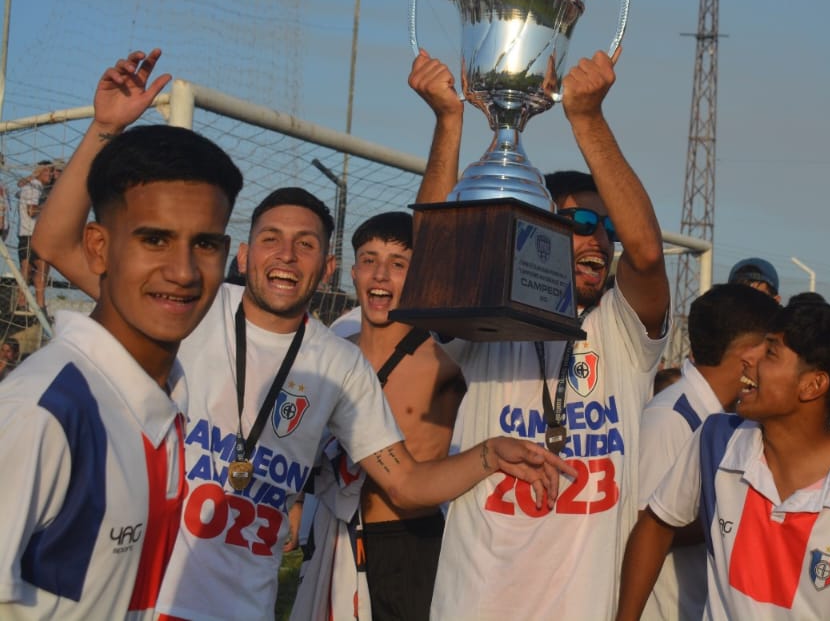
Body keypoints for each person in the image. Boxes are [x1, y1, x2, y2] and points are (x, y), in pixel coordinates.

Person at [32, 50, 570, 620]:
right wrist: (105, 129)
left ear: (327, 266)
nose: (286, 255)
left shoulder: (337, 364)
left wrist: (489, 455)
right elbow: (55, 244)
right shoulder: (191, 306)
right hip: (150, 602)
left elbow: (407, 482)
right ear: (244, 252)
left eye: (305, 244)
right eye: (271, 239)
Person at [409, 46, 670, 620]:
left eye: (608, 229)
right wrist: (448, 123)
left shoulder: (622, 333)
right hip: (474, 601)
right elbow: (434, 263)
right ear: (544, 228)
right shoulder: (492, 314)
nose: (599, 239)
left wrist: (588, 118)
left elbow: (647, 255)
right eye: (579, 223)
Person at [0, 123, 243, 619]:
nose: (183, 271)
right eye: (155, 240)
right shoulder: (43, 413)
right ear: (97, 247)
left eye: (205, 244)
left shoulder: (163, 394)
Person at [618, 301, 830, 620]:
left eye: (770, 352)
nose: (748, 358)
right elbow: (656, 524)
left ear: (813, 385)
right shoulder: (716, 439)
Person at [293, 211, 466, 619]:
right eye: (369, 260)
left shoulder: (445, 361)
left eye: (398, 264)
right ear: (353, 272)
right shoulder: (333, 353)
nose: (380, 275)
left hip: (409, 540)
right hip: (335, 533)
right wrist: (296, 499)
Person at [637, 282, 780, 620]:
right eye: (771, 349)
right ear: (749, 356)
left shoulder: (729, 417)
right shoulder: (672, 418)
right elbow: (641, 527)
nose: (776, 361)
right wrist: (747, 515)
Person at [18, 159, 54, 311]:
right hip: (30, 234)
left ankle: (30, 305)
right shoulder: (33, 187)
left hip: (29, 234)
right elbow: (31, 211)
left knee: (32, 270)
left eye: (52, 172)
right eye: (48, 171)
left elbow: (18, 188)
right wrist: (48, 207)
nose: (51, 175)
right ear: (39, 172)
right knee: (36, 270)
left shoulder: (33, 186)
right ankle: (34, 305)